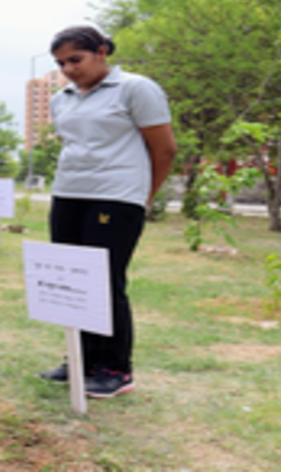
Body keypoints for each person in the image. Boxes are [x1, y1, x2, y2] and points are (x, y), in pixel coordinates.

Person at [37, 26, 177, 399]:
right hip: (68, 193)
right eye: (61, 63)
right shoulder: (61, 98)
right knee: (72, 279)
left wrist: (143, 197)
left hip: (116, 196)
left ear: (101, 51)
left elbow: (164, 150)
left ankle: (115, 368)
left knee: (105, 280)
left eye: (75, 60)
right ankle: (81, 360)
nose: (68, 69)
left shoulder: (135, 88)